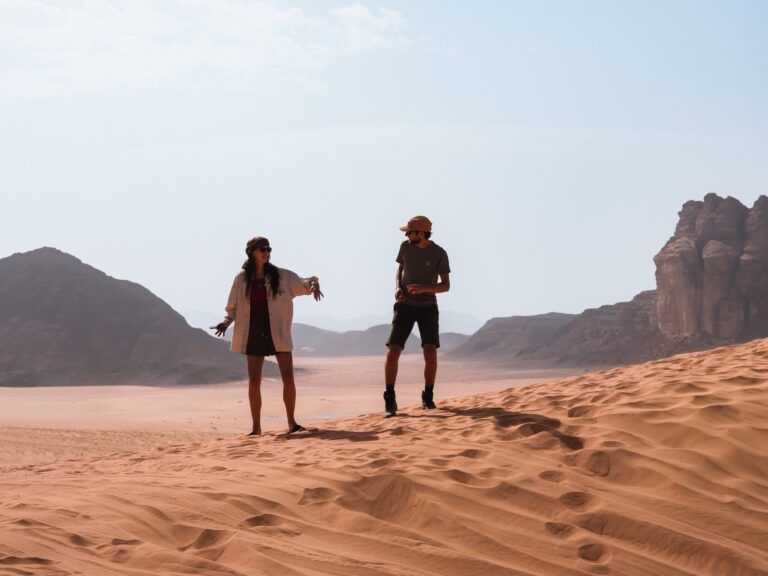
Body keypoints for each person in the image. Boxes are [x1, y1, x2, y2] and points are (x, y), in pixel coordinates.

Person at [213, 236, 323, 435]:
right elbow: (233, 306)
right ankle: (256, 428)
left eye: (268, 249)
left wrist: (312, 285)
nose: (266, 252)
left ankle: (292, 423)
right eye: (262, 249)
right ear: (252, 252)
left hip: (277, 332)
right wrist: (227, 322)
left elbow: (302, 283)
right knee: (254, 381)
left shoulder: (281, 276)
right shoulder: (241, 279)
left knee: (288, 377)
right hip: (253, 332)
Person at [384, 216, 451, 417]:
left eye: (410, 231)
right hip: (404, 305)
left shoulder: (439, 253)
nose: (406, 235)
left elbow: (446, 285)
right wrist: (397, 288)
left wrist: (424, 288)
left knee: (430, 351)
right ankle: (389, 399)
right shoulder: (405, 247)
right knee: (393, 350)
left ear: (421, 233)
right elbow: (400, 269)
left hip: (428, 307)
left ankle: (428, 397)